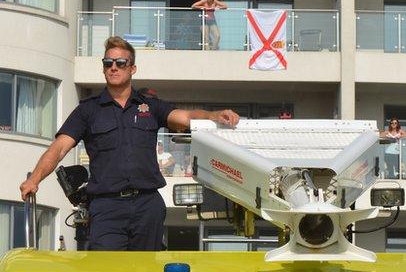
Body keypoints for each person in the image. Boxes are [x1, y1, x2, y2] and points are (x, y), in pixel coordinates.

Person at [19, 36, 240, 251]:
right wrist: (35, 179)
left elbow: (186, 116)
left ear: (132, 68)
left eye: (120, 63)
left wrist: (213, 115)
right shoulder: (88, 110)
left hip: (148, 205)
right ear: (103, 68)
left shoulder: (150, 106)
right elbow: (59, 147)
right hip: (106, 207)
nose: (113, 67)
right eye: (108, 63)